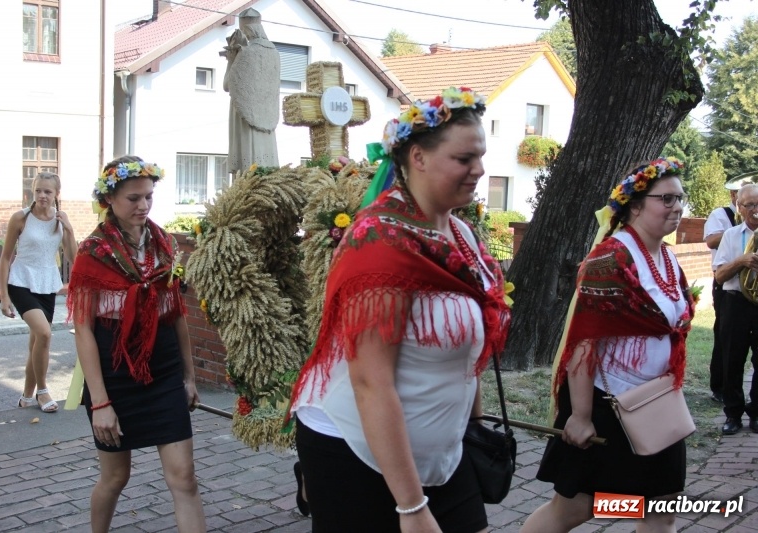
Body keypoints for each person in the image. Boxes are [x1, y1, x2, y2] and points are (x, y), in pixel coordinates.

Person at [288, 87, 511, 533]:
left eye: (481, 156)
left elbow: (471, 349)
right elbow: (371, 380)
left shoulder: (463, 236)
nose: (479, 170)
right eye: (464, 159)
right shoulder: (379, 242)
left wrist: (473, 427)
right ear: (418, 157)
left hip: (442, 453)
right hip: (355, 452)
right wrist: (411, 508)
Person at [522, 158, 694, 533]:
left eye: (680, 198)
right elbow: (585, 342)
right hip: (606, 407)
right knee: (577, 507)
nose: (677, 207)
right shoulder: (610, 259)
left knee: (659, 508)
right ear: (635, 205)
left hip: (654, 404)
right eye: (666, 199)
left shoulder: (665, 257)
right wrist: (580, 416)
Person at [67, 156, 206, 533]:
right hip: (113, 376)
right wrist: (100, 403)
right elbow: (83, 331)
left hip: (162, 372)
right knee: (115, 479)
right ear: (109, 199)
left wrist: (189, 377)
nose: (143, 206)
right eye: (134, 198)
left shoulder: (163, 243)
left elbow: (176, 314)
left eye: (148, 197)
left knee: (185, 478)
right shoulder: (92, 252)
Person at [0, 171, 77, 413]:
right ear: (32, 192)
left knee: (36, 341)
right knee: (44, 334)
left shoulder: (59, 220)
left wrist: (70, 231)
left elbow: (74, 258)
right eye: (38, 191)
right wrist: (3, 296)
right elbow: (4, 258)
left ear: (56, 194)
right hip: (21, 281)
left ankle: (26, 396)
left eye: (48, 191)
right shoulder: (20, 218)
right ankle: (43, 391)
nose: (42, 195)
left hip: (47, 284)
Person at [713, 183, 758, 435]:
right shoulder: (731, 235)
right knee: (731, 359)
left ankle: (757, 412)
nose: (755, 210)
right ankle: (732, 414)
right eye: (749, 205)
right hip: (735, 302)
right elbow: (719, 276)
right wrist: (742, 260)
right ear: (739, 208)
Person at [223, 7, 280, 176]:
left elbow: (227, 85)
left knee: (247, 172)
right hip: (267, 118)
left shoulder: (247, 53)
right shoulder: (274, 53)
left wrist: (231, 58)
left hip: (244, 119)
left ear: (245, 29)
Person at [704, 188, 739, 403]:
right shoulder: (721, 214)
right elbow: (710, 241)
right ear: (735, 196)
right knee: (725, 335)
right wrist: (741, 230)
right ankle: (720, 386)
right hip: (726, 283)